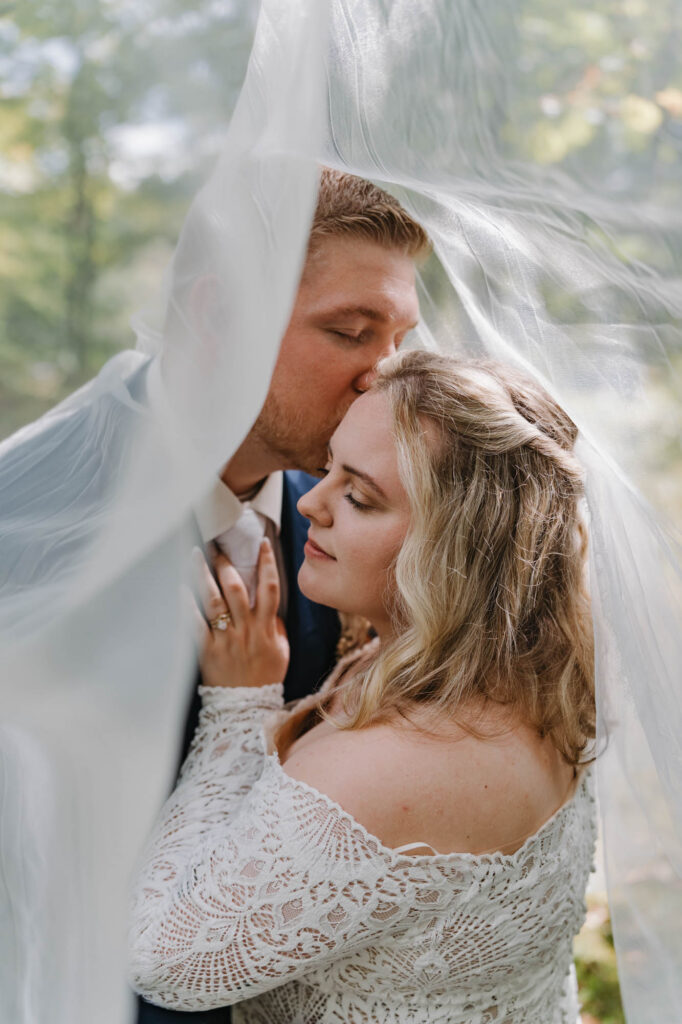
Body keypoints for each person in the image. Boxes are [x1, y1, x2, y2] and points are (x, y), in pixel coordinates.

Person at [129, 349, 597, 1023]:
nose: (311, 502)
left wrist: (237, 708)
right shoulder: (535, 677)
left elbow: (161, 961)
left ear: (453, 549)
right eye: (328, 469)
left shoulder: (396, 762)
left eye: (358, 495)